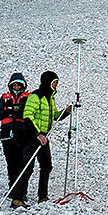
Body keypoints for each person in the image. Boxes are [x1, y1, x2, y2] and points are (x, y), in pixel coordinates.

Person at [13, 70, 75, 206]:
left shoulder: (50, 98)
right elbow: (27, 116)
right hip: (32, 136)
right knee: (27, 167)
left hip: (44, 137)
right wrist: (37, 134)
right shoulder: (36, 96)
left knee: (46, 166)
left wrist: (66, 111)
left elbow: (54, 116)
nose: (56, 86)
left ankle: (43, 196)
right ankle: (17, 198)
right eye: (54, 83)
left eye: (56, 83)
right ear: (47, 82)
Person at [0, 74, 30, 197]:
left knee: (22, 163)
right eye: (14, 85)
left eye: (18, 85)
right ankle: (12, 188)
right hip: (7, 135)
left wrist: (18, 112)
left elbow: (29, 114)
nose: (16, 87)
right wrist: (9, 111)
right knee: (11, 163)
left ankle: (21, 192)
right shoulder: (4, 97)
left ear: (23, 85)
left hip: (22, 134)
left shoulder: (28, 98)